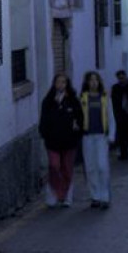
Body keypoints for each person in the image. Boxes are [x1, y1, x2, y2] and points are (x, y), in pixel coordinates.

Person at [38, 73, 83, 208]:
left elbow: (80, 118)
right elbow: (44, 119)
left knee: (67, 169)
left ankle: (66, 195)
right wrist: (44, 133)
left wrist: (77, 129)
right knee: (54, 166)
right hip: (52, 141)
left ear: (67, 84)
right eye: (58, 82)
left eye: (63, 82)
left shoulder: (73, 101)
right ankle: (55, 192)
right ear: (54, 83)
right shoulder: (48, 101)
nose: (61, 85)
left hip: (69, 141)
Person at [79, 70, 113, 209]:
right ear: (87, 82)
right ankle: (95, 196)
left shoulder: (104, 98)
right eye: (91, 80)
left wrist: (111, 135)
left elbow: (111, 117)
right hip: (87, 136)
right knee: (90, 167)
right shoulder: (82, 98)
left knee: (102, 166)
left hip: (101, 136)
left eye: (96, 80)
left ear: (99, 82)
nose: (93, 82)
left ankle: (105, 195)